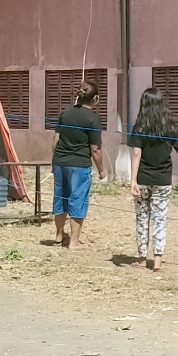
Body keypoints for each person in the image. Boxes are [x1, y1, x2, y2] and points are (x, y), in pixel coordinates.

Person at [127, 86, 178, 272]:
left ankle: (142, 258)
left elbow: (135, 153)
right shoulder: (172, 126)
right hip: (163, 179)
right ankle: (157, 260)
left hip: (143, 178)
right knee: (159, 218)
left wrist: (132, 180)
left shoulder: (139, 126)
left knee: (142, 218)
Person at [50, 83, 105, 249]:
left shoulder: (65, 113)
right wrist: (102, 171)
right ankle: (73, 242)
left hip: (60, 162)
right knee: (78, 199)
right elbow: (95, 149)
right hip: (79, 165)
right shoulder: (93, 119)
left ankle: (59, 235)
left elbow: (55, 140)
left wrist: (55, 161)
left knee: (61, 198)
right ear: (95, 98)